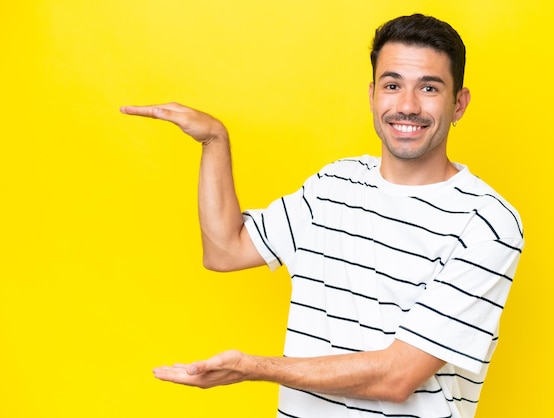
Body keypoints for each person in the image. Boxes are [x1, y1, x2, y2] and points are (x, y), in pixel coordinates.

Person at [121, 13, 524, 418]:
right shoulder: (334, 185)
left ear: (459, 103)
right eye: (392, 85)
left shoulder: (487, 224)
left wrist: (254, 368)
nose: (407, 105)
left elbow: (397, 378)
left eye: (429, 88)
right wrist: (214, 140)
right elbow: (226, 250)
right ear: (372, 95)